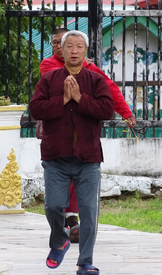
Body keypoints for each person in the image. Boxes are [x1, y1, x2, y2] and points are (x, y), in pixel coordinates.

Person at [30, 30, 115, 275]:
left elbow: (107, 110)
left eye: (79, 47)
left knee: (89, 214)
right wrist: (63, 101)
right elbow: (36, 109)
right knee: (53, 206)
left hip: (87, 158)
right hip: (55, 156)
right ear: (62, 51)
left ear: (85, 52)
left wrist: (79, 97)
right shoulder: (49, 80)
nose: (74, 51)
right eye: (70, 47)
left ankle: (85, 262)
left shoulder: (96, 80)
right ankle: (59, 240)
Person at [39, 28, 136, 243]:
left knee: (79, 179)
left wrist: (126, 112)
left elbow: (109, 89)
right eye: (57, 44)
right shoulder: (48, 67)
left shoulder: (90, 71)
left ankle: (73, 220)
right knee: (57, 189)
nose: (61, 48)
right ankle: (63, 223)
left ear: (83, 50)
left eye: (78, 47)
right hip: (57, 131)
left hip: (84, 136)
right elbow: (49, 96)